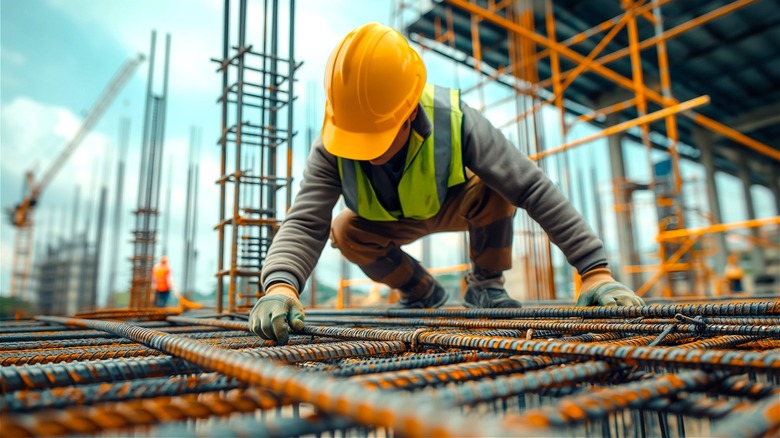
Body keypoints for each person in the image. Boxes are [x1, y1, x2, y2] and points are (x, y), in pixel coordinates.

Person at [249, 22, 645, 344]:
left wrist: (594, 271)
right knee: (344, 228)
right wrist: (281, 286)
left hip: (459, 204)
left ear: (409, 113)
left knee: (499, 184)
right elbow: (305, 222)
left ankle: (485, 286)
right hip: (389, 221)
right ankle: (421, 292)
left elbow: (532, 187)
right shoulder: (332, 142)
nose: (368, 152)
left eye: (378, 137)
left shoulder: (456, 120)